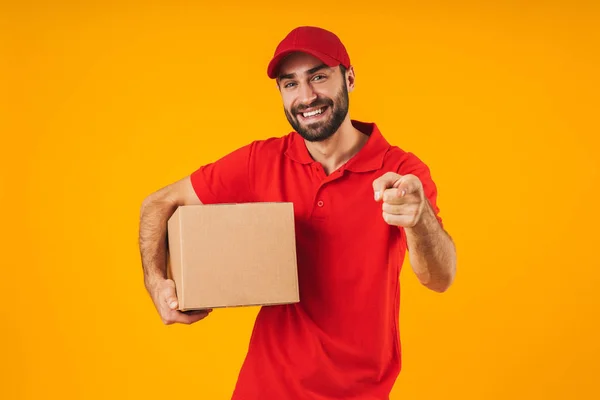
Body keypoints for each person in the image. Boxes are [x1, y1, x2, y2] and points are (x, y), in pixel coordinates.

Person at [139, 26, 457, 400]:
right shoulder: (263, 160)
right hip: (265, 387)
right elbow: (158, 203)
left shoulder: (401, 172)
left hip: (360, 391)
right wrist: (156, 282)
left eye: (318, 77)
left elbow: (440, 278)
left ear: (349, 78)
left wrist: (418, 219)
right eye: (290, 84)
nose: (306, 97)